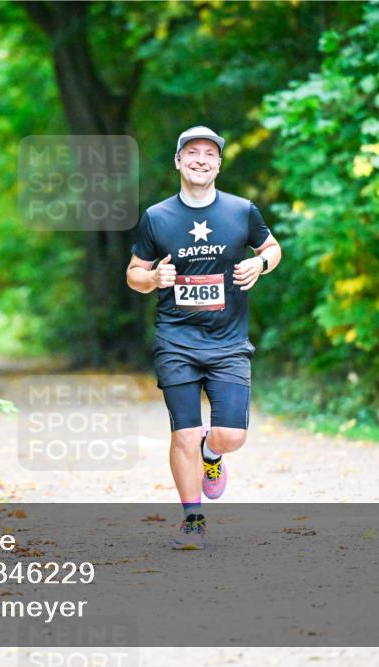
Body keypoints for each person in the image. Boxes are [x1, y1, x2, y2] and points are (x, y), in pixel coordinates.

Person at [126, 126, 282, 550]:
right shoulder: (158, 217)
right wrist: (154, 276)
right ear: (178, 161)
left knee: (231, 436)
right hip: (176, 339)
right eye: (191, 152)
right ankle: (192, 518)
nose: (200, 159)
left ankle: (211, 456)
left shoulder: (241, 211)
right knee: (183, 433)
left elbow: (271, 248)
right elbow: (134, 274)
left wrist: (261, 265)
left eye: (209, 154)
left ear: (218, 164)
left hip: (229, 342)